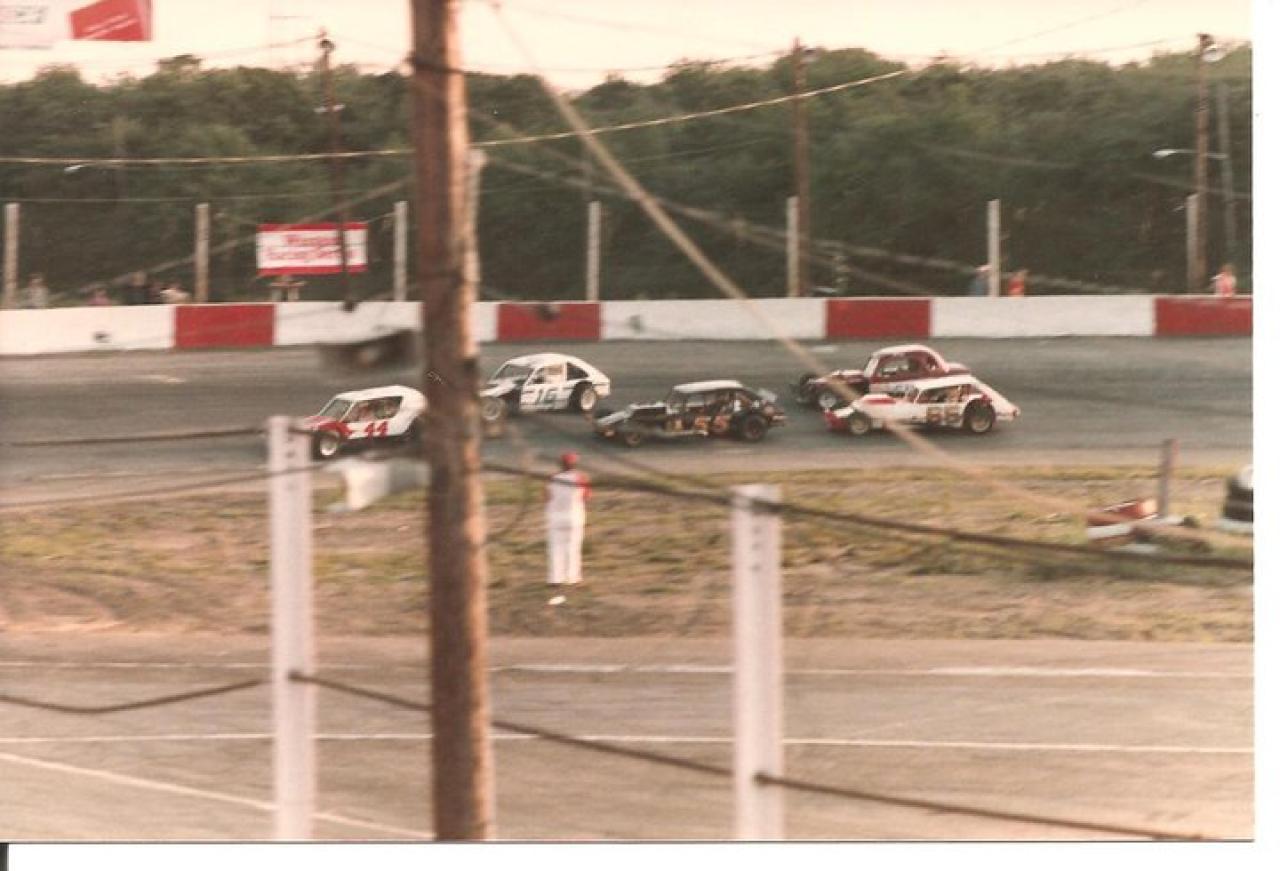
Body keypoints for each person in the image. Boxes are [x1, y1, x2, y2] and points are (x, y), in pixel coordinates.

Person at [546, 451, 591, 586]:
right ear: (575, 464)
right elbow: (586, 496)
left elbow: (547, 496)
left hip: (556, 517)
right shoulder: (581, 478)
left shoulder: (553, 478)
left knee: (556, 548)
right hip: (574, 516)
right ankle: (573, 578)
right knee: (573, 548)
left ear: (561, 464)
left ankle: (555, 578)